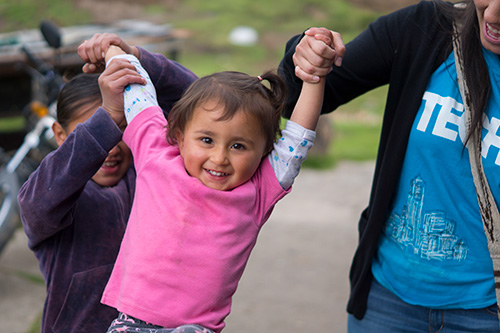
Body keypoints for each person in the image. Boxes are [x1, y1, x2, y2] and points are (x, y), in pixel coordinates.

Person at [280, 0, 500, 331]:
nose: (493, 13)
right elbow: (297, 94)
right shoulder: (424, 29)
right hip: (387, 304)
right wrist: (309, 52)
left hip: (487, 314)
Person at [93, 36, 333, 332]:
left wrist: (315, 78)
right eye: (206, 140)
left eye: (239, 146)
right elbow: (137, 93)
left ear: (265, 152)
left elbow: (299, 137)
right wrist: (113, 48)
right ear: (179, 135)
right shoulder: (156, 153)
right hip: (131, 323)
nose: (219, 158)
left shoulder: (259, 190)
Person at [18, 37, 197, 332]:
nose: (111, 147)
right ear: (61, 135)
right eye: (98, 130)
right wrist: (110, 116)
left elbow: (197, 103)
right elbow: (35, 206)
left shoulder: (150, 176)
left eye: (122, 128)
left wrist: (137, 58)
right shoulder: (56, 192)